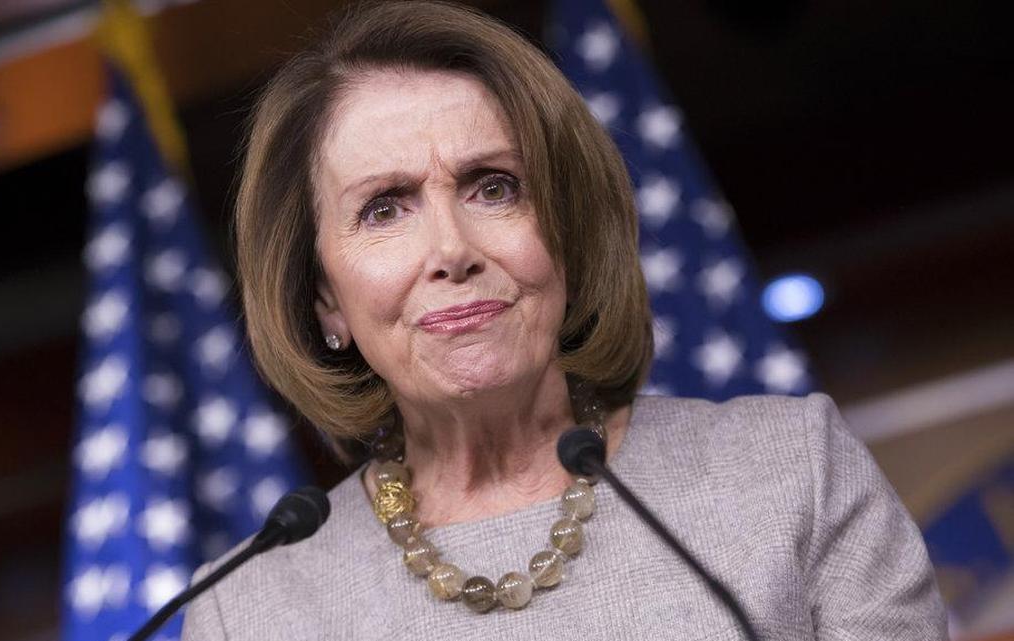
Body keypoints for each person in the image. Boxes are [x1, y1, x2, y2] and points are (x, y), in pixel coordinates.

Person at [182, 1, 947, 639]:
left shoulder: (789, 475)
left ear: (569, 236)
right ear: (325, 301)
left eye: (494, 188)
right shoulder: (248, 608)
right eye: (385, 208)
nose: (452, 249)